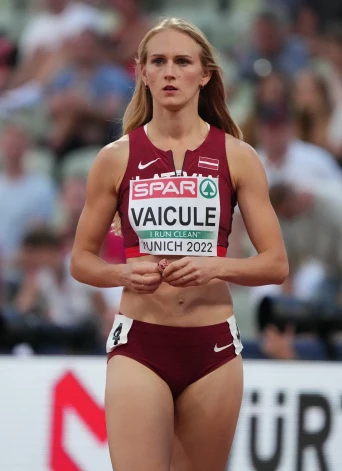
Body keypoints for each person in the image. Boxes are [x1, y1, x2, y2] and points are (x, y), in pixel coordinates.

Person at [70, 17, 288, 471]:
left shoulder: (237, 156)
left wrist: (216, 267)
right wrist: (121, 273)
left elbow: (275, 264)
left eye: (182, 61)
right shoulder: (114, 158)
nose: (170, 72)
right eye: (159, 61)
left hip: (212, 348)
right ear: (143, 73)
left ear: (204, 74)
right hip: (140, 342)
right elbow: (80, 261)